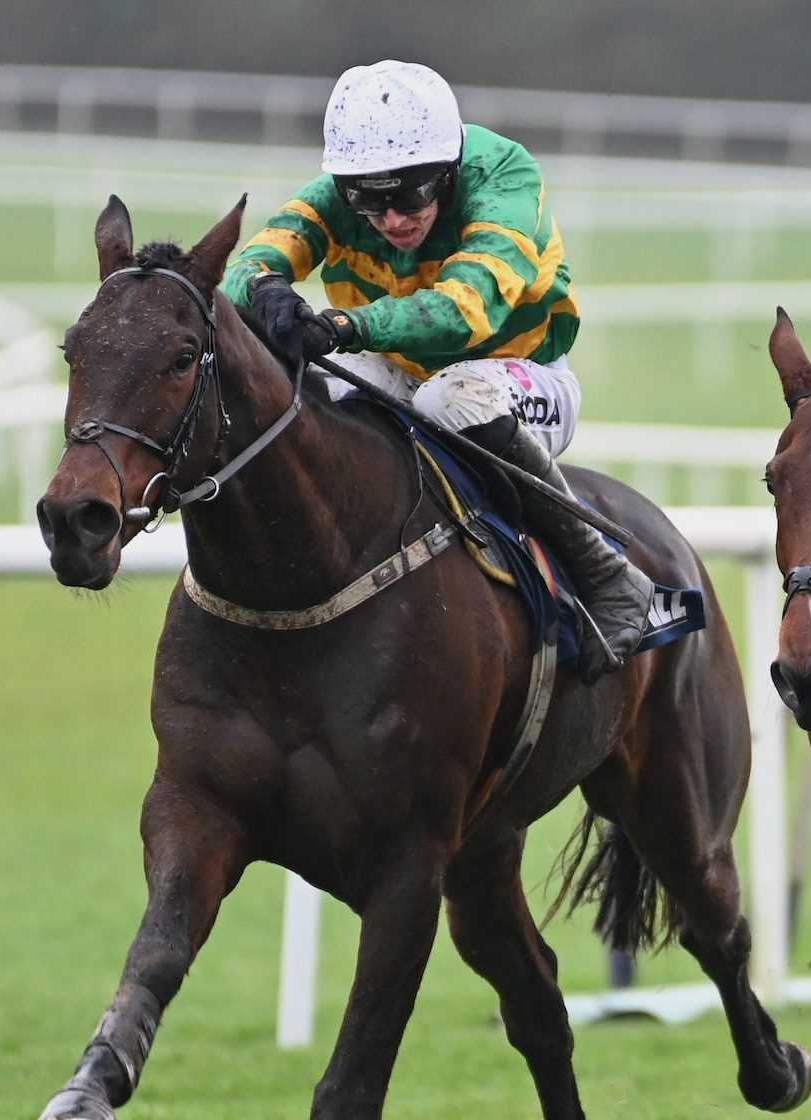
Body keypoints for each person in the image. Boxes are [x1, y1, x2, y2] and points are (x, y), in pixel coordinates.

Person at [220, 60, 652, 684]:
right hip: (402, 373)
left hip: (516, 375)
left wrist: (348, 327)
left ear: (448, 171)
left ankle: (607, 574)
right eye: (369, 200)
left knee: (450, 400)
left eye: (413, 194)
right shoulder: (338, 195)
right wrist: (265, 289)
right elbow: (248, 263)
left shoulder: (504, 176)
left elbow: (463, 311)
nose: (393, 219)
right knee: (325, 385)